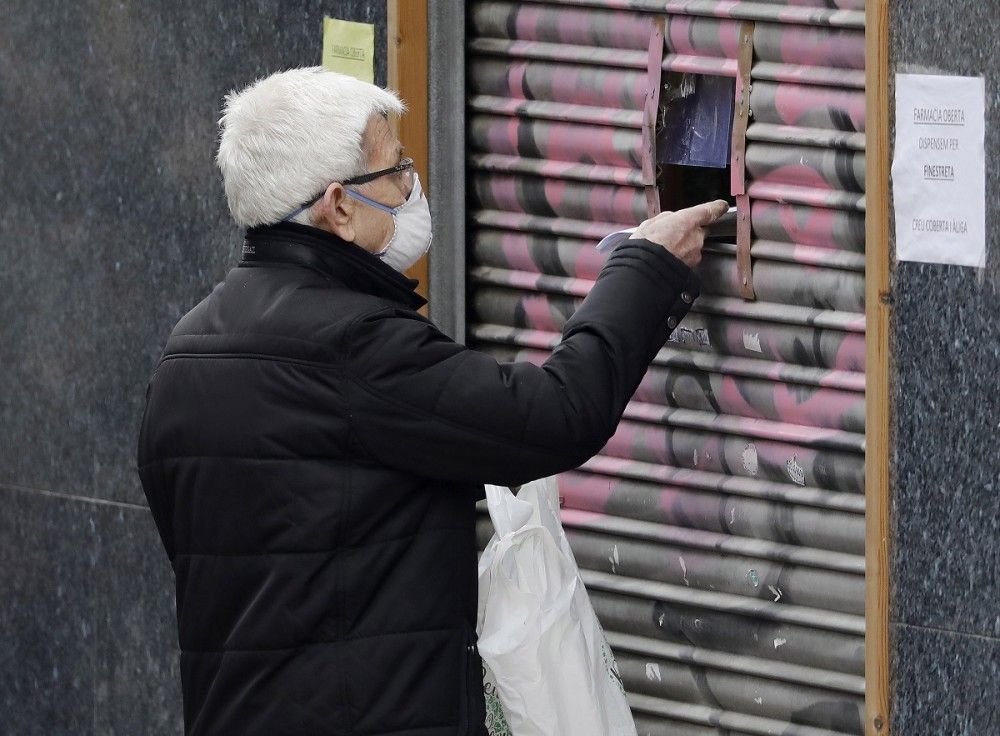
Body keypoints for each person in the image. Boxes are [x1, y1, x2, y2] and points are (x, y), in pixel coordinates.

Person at [136, 66, 728, 736]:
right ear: (338, 205)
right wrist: (645, 267)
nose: (413, 186)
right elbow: (554, 416)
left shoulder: (184, 357)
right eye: (395, 171)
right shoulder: (351, 346)